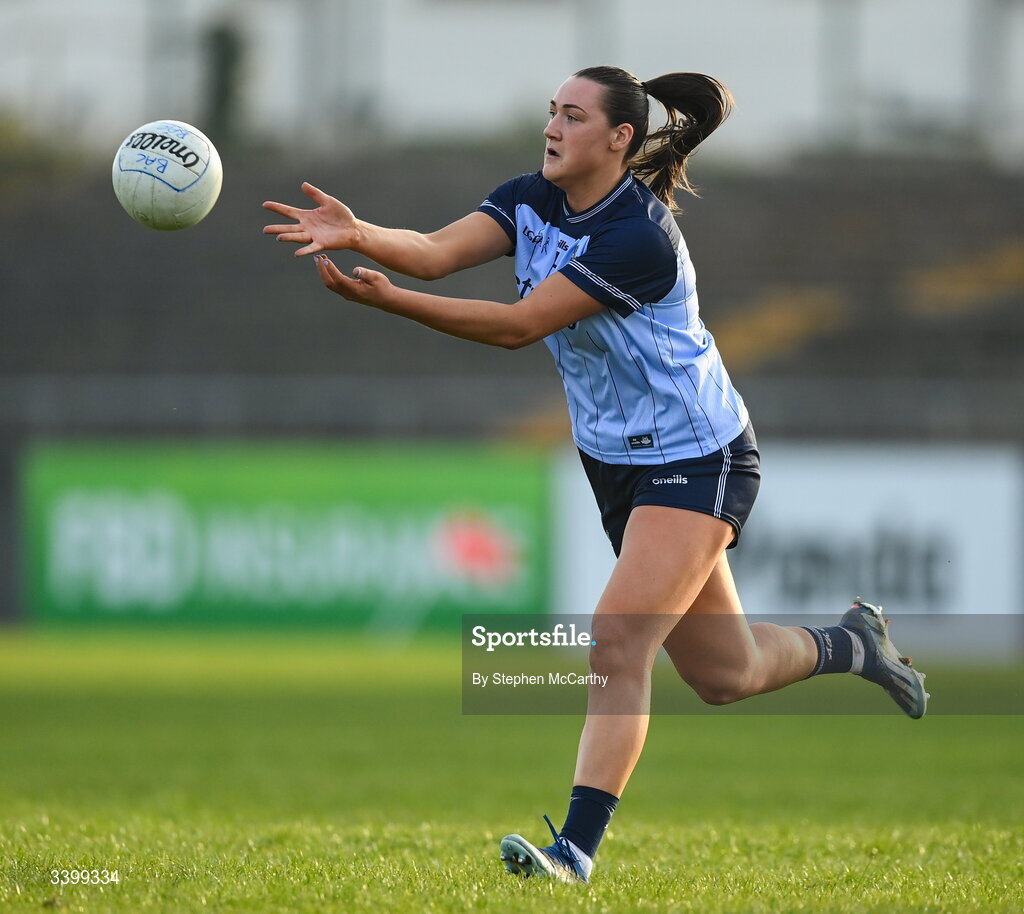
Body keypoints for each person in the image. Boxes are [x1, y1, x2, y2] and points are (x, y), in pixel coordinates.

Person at [263, 65, 929, 885]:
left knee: (616, 639)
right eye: (551, 111)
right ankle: (852, 643)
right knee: (726, 674)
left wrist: (388, 301)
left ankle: (572, 853)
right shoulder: (530, 197)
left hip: (698, 457)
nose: (552, 126)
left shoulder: (636, 237)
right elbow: (437, 254)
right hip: (617, 466)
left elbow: (516, 327)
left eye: (572, 116)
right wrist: (363, 234)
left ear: (619, 140)